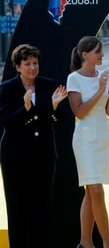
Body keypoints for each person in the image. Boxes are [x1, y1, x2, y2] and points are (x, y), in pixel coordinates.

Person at [0, 44, 68, 248]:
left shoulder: (48, 85)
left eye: (35, 63)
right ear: (18, 67)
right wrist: (27, 109)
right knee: (17, 207)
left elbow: (59, 121)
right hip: (15, 156)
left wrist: (55, 107)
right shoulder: (7, 88)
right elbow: (7, 121)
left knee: (42, 207)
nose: (32, 67)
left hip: (44, 154)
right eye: (27, 64)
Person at [67, 36, 109, 248]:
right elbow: (80, 112)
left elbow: (108, 111)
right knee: (97, 190)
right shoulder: (74, 78)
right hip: (85, 140)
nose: (102, 55)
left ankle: (85, 242)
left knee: (91, 193)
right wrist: (101, 89)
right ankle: (107, 243)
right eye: (98, 51)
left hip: (103, 138)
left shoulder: (103, 77)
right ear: (85, 55)